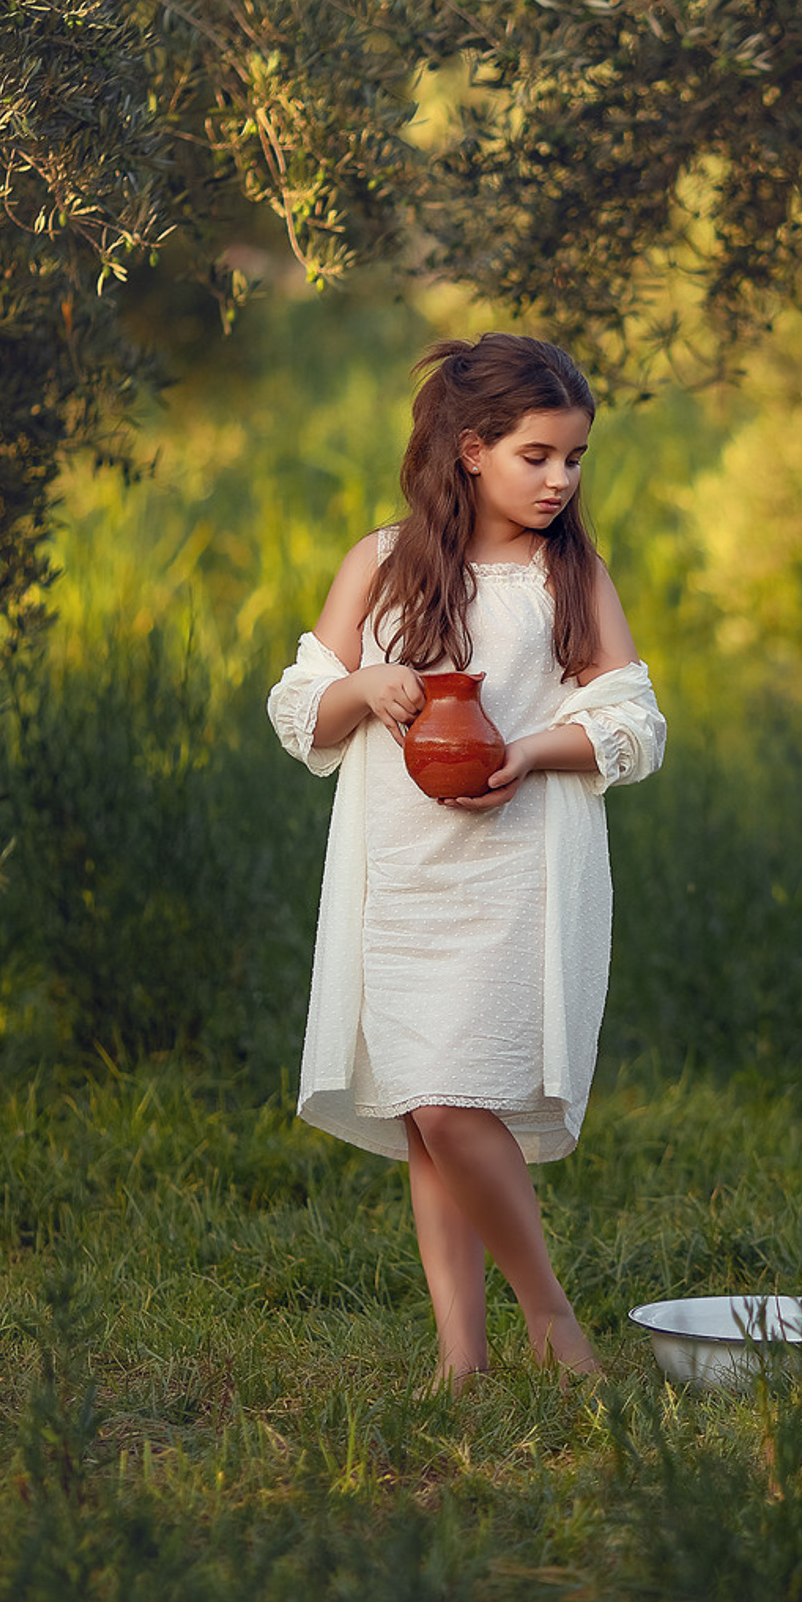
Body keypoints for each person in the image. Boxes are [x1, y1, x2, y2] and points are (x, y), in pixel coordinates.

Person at [267, 333, 666, 1386]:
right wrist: (368, 692)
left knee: (452, 1101)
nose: (560, 480)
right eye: (539, 456)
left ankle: (551, 1323)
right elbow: (301, 704)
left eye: (575, 459)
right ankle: (461, 1361)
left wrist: (533, 750)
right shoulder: (382, 562)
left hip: (511, 878)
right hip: (401, 880)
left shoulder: (567, 575)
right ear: (472, 449)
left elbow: (634, 722)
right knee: (427, 1117)